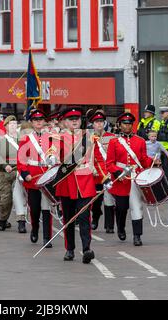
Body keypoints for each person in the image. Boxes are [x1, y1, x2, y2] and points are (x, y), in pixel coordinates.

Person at [106, 113, 156, 246]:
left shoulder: (140, 141)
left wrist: (154, 161)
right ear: (119, 125)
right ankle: (121, 227)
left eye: (129, 124)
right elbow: (109, 163)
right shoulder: (114, 142)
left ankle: (137, 236)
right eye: (124, 124)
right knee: (121, 208)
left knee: (136, 206)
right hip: (121, 179)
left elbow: (143, 159)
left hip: (135, 177)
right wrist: (117, 173)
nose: (127, 126)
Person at [55, 107, 96, 264]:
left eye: (77, 118)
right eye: (71, 119)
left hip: (84, 181)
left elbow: (95, 158)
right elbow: (52, 154)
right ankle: (70, 249)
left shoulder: (88, 137)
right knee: (69, 219)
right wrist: (52, 158)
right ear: (65, 122)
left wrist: (101, 174)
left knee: (85, 216)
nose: (74, 121)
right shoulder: (58, 138)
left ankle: (87, 249)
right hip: (67, 183)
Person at [18, 109, 57, 247]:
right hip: (33, 177)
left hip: (47, 177)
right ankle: (35, 229)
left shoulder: (52, 137)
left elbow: (57, 155)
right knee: (34, 209)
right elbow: (21, 159)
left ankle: (47, 238)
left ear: (44, 122)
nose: (38, 122)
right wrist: (25, 174)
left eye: (41, 120)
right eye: (35, 120)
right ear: (32, 123)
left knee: (47, 208)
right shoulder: (26, 138)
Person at [87, 109, 117, 233]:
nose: (99, 124)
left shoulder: (111, 137)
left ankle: (109, 225)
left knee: (109, 199)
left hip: (108, 172)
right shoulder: (88, 137)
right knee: (96, 200)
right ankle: (95, 218)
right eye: (96, 122)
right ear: (92, 124)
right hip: (94, 173)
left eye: (101, 122)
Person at [0, 115, 20, 231]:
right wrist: (5, 165)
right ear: (6, 126)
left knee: (19, 198)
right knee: (4, 199)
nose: (13, 126)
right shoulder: (0, 139)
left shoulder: (22, 139)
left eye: (15, 124)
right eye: (11, 124)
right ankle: (2, 220)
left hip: (18, 171)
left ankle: (21, 221)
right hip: (3, 173)